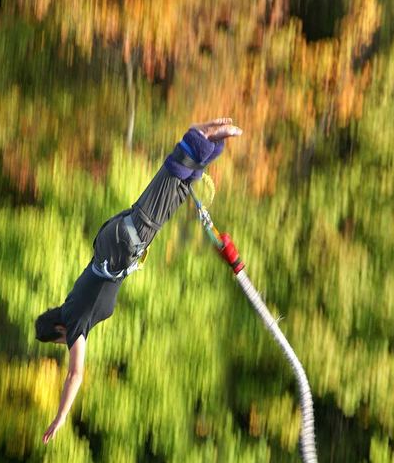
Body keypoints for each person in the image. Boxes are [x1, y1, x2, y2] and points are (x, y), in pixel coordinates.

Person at [35, 118, 242, 444]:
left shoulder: (73, 320)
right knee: (177, 190)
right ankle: (213, 136)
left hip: (121, 245)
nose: (67, 348)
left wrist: (60, 417)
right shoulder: (75, 309)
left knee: (165, 187)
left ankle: (206, 134)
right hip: (121, 243)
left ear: (58, 334)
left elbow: (75, 374)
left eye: (61, 345)